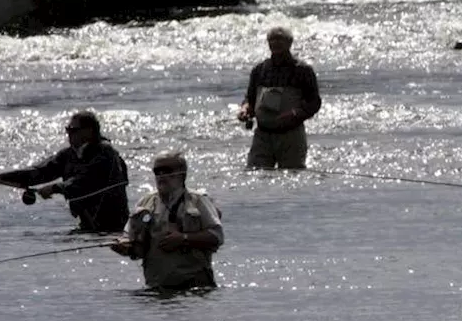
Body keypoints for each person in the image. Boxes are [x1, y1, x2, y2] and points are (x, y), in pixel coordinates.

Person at [0, 111, 129, 232]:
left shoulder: (106, 153)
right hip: (87, 223)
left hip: (112, 225)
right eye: (67, 130)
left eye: (73, 130)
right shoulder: (69, 155)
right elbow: (39, 172)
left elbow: (86, 181)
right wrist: (1, 178)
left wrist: (55, 188)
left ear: (89, 131)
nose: (69, 134)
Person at [111, 152, 223, 292]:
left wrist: (183, 239)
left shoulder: (198, 201)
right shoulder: (145, 203)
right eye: (158, 171)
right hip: (156, 288)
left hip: (196, 290)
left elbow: (217, 236)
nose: (162, 175)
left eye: (168, 171)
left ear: (182, 174)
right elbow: (130, 240)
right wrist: (124, 246)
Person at [237, 26, 322, 168]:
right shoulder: (259, 70)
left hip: (291, 134)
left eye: (280, 40)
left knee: (291, 177)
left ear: (290, 43)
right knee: (256, 175)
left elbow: (314, 102)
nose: (275, 43)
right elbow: (250, 99)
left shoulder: (302, 70)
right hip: (262, 135)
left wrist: (294, 114)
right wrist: (245, 109)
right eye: (272, 40)